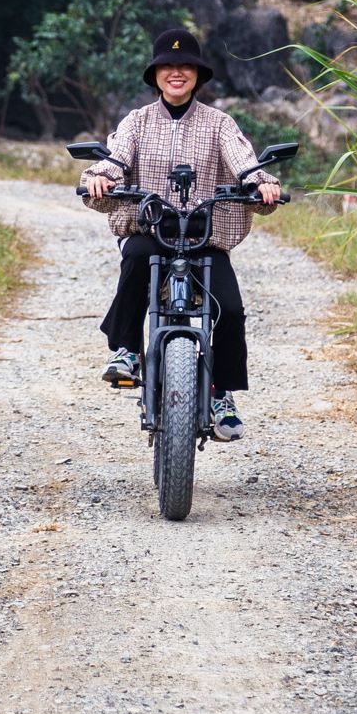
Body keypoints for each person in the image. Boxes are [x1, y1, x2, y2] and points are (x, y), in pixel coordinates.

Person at [78, 26, 282, 440]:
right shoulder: (137, 121)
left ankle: (221, 395)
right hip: (149, 226)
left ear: (198, 74)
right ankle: (127, 352)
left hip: (204, 234)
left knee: (231, 308)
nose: (176, 73)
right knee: (135, 258)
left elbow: (243, 161)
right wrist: (101, 177)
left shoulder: (219, 123)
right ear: (155, 75)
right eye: (167, 66)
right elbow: (114, 159)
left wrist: (260, 182)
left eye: (185, 65)